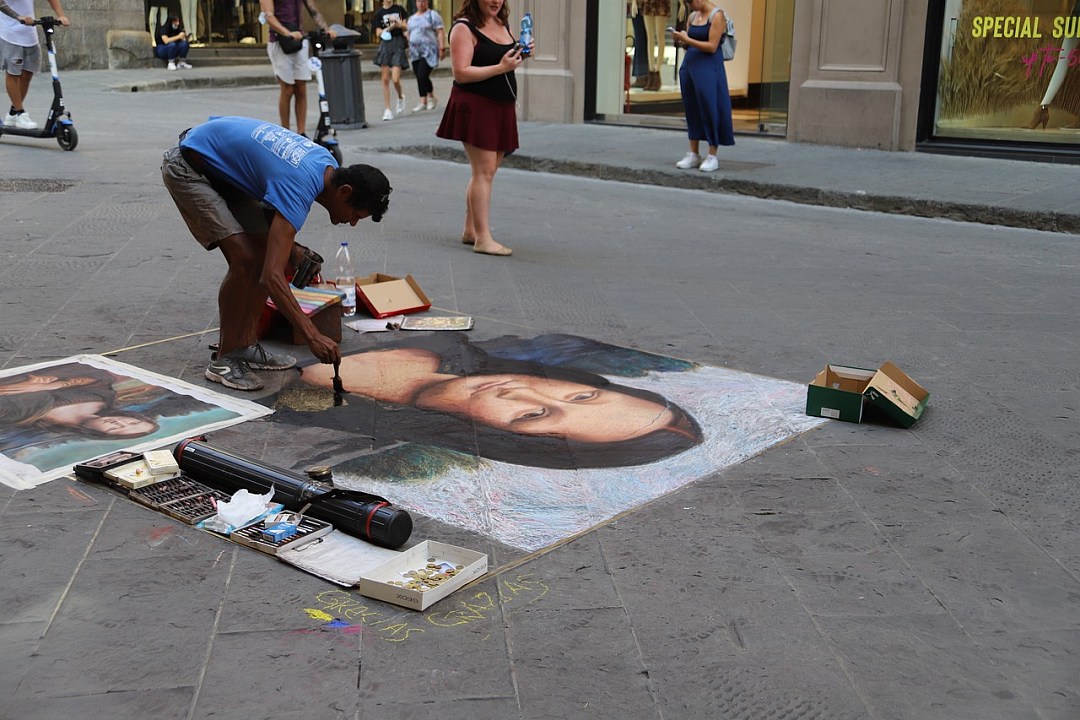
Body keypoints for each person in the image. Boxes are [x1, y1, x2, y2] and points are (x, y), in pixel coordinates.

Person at [160, 116, 393, 391]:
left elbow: (273, 219)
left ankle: (244, 346)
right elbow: (271, 278)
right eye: (355, 215)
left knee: (264, 256)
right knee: (245, 261)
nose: (352, 222)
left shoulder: (324, 164)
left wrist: (294, 250)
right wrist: (312, 336)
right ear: (344, 192)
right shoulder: (300, 186)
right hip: (190, 167)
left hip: (224, 171)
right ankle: (223, 359)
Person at [276, 333, 704, 471]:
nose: (520, 392)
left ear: (506, 440)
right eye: (582, 395)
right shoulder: (447, 343)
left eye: (534, 415)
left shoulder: (322, 422)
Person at [435, 0, 531, 257]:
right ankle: (483, 239)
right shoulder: (463, 28)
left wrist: (520, 52)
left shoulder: (501, 22)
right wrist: (502, 67)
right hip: (477, 105)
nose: (496, 1)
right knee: (484, 172)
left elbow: (502, 57)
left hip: (501, 104)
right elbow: (461, 73)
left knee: (486, 171)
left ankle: (471, 231)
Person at [0, 364, 159, 439]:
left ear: (100, 434)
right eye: (132, 422)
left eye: (115, 428)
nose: (119, 422)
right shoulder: (104, 400)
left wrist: (26, 386)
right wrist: (56, 383)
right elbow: (99, 376)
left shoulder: (26, 417)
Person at [671, 0, 733, 173]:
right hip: (690, 67)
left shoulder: (716, 15)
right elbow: (689, 43)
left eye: (690, 1)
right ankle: (693, 153)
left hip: (708, 68)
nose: (689, 4)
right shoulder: (693, 16)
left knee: (710, 108)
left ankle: (712, 154)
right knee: (692, 109)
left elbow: (712, 47)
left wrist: (687, 39)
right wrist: (681, 39)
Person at [259, 0, 334, 138]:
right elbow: (269, 16)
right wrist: (287, 33)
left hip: (299, 40)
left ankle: (301, 133)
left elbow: (312, 8)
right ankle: (285, 133)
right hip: (279, 41)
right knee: (287, 89)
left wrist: (326, 29)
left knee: (301, 87)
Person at [0, 0, 68, 130]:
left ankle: (13, 113)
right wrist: (17, 16)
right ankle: (20, 113)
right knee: (13, 73)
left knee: (27, 73)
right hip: (10, 33)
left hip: (29, 33)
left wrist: (61, 15)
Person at [373, 0, 408, 121]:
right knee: (385, 78)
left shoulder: (399, 9)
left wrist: (398, 24)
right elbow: (378, 33)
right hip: (385, 43)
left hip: (398, 43)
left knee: (395, 79)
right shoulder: (379, 13)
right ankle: (387, 109)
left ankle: (400, 96)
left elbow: (405, 26)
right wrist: (389, 27)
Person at [406, 0, 444, 113]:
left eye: (423, 1)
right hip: (415, 52)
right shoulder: (412, 18)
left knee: (423, 74)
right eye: (419, 1)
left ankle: (431, 97)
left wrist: (442, 48)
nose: (421, 3)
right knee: (418, 76)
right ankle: (423, 101)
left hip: (429, 51)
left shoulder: (432, 15)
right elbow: (408, 33)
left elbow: (440, 32)